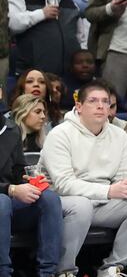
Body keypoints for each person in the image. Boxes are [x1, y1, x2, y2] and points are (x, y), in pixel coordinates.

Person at [40, 79, 127, 277]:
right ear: (79, 106)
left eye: (105, 102)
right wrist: (109, 191)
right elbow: (63, 184)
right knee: (81, 205)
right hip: (62, 202)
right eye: (93, 101)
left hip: (101, 202)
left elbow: (123, 174)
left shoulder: (118, 135)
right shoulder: (60, 134)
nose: (101, 106)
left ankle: (111, 268)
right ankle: (64, 271)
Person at [0, 89, 62, 277]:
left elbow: (18, 170)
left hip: (10, 202)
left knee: (48, 197)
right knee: (1, 202)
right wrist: (10, 189)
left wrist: (28, 181)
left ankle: (48, 272)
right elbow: (10, 188)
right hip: (4, 199)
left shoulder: (11, 129)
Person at [8, 0, 81, 77]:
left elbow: (80, 35)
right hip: (32, 74)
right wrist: (41, 14)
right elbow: (12, 24)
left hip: (67, 74)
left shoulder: (69, 2)